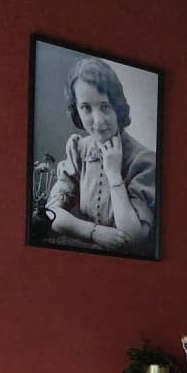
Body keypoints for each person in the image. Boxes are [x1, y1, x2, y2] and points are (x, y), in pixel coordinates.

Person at [46, 56, 156, 254]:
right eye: (86, 108)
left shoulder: (144, 160)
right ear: (76, 111)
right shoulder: (78, 148)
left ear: (118, 107)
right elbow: (51, 213)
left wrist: (114, 174)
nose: (97, 121)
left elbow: (134, 240)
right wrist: (94, 232)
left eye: (105, 106)